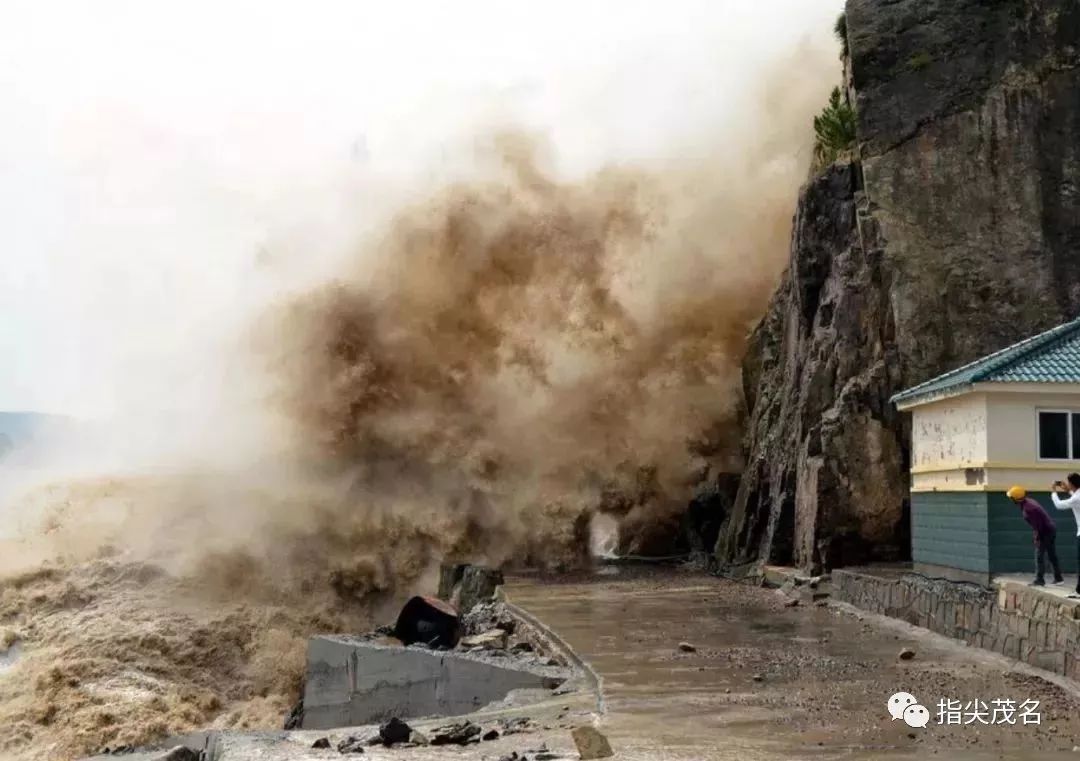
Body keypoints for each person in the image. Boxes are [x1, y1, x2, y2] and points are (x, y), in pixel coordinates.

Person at [1006, 485, 1064, 587]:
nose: (1010, 500)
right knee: (1051, 555)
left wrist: (1037, 538)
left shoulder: (1029, 508)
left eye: (1011, 498)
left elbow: (1038, 526)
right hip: (1050, 529)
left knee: (1039, 556)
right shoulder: (1027, 502)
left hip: (1045, 531)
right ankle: (1058, 578)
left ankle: (1039, 580)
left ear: (1016, 499)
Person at [1051, 473, 1080, 593]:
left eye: (1068, 483)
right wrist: (1069, 490)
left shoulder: (1077, 498)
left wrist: (1053, 491)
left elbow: (1059, 505)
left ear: (1072, 484)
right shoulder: (1077, 495)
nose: (1067, 485)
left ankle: (1079, 590)